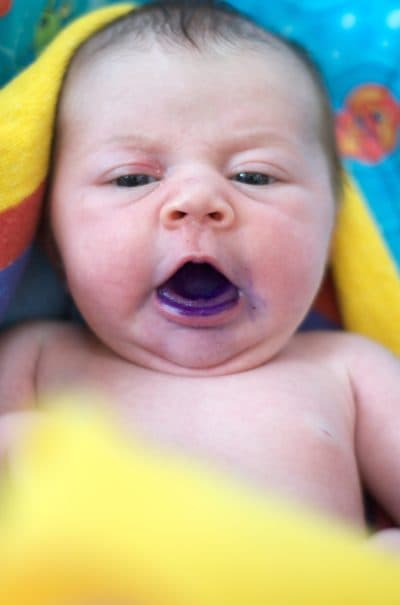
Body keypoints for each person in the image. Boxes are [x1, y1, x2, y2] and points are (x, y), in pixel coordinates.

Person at [0, 0, 399, 546]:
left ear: (331, 233)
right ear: (55, 242)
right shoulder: (34, 356)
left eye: (255, 176)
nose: (197, 199)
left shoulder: (350, 372)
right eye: (131, 179)